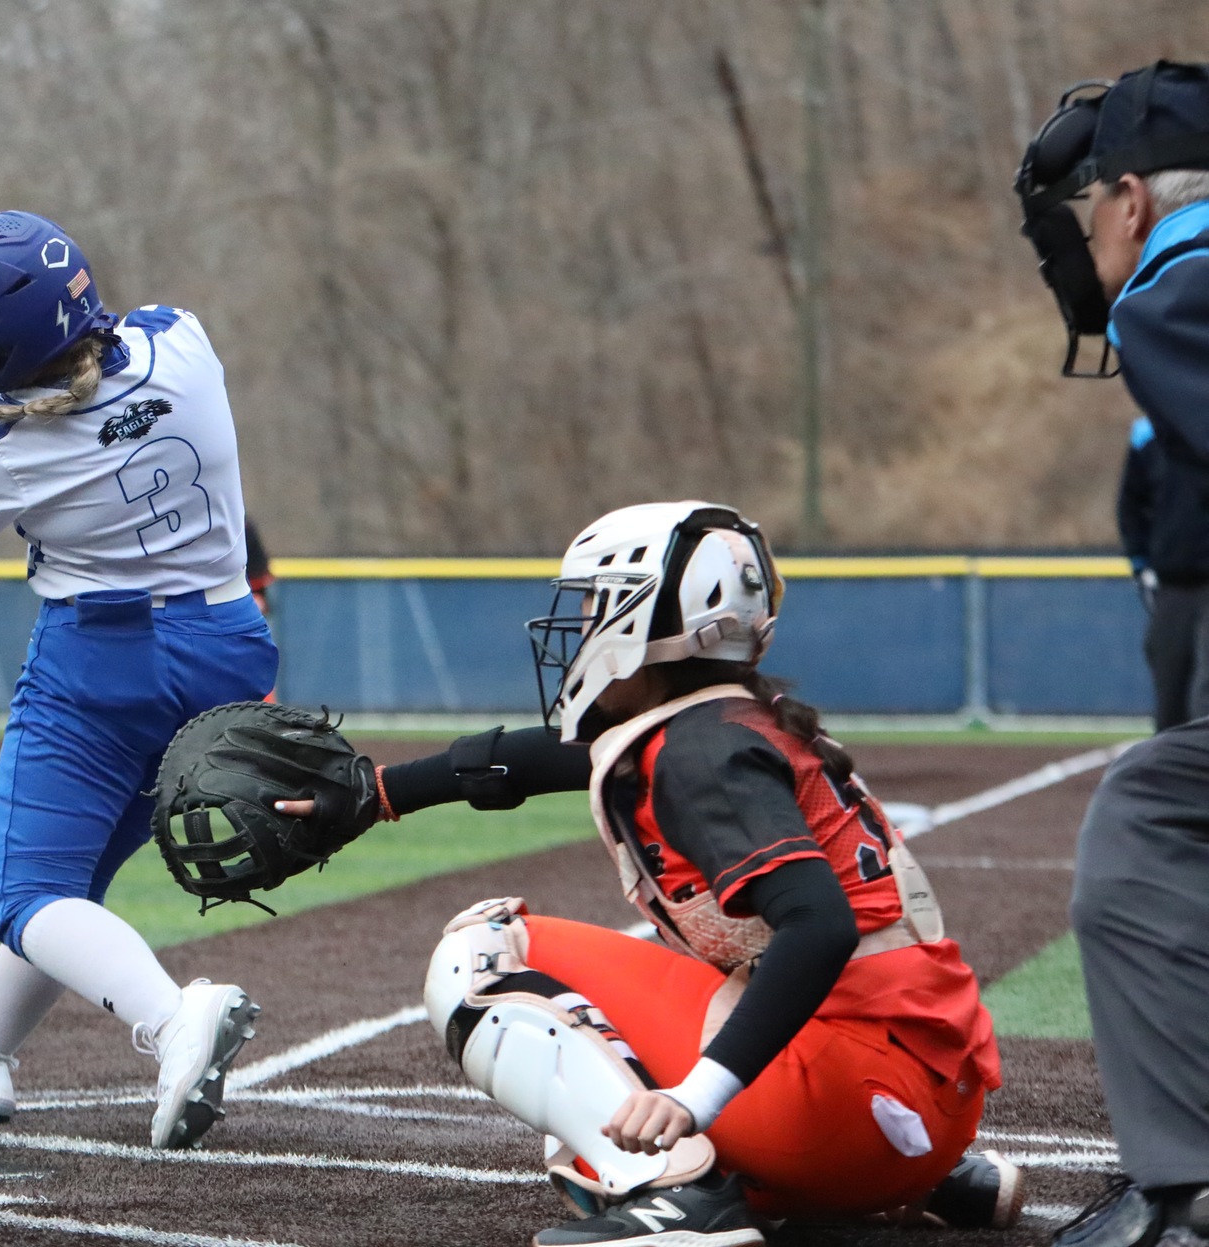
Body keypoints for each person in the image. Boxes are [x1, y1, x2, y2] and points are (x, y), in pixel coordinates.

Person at [286, 502, 1021, 1245]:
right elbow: (542, 756)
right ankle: (925, 1177)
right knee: (640, 1052)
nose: (579, 626)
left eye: (596, 603)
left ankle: (676, 1195)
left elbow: (819, 922)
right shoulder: (721, 723)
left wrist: (696, 1099)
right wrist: (376, 792)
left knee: (481, 956)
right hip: (923, 1112)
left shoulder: (700, 755)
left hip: (854, 1101)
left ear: (650, 618)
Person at [0, 210, 278, 1148]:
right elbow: (106, 383)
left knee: (29, 892)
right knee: (76, 880)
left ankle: (171, 1018)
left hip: (101, 664)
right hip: (229, 646)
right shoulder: (185, 342)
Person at [1013, 60, 1209, 1247]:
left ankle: (1181, 1191)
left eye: (1091, 199)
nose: (1086, 223)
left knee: (1147, 820)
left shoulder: (1171, 292)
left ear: (1129, 200)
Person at [1116, 414, 1209, 732]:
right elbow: (1131, 502)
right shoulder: (1148, 432)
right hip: (1174, 583)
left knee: (1204, 694)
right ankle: (1172, 773)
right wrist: (1140, 562)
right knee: (1171, 684)